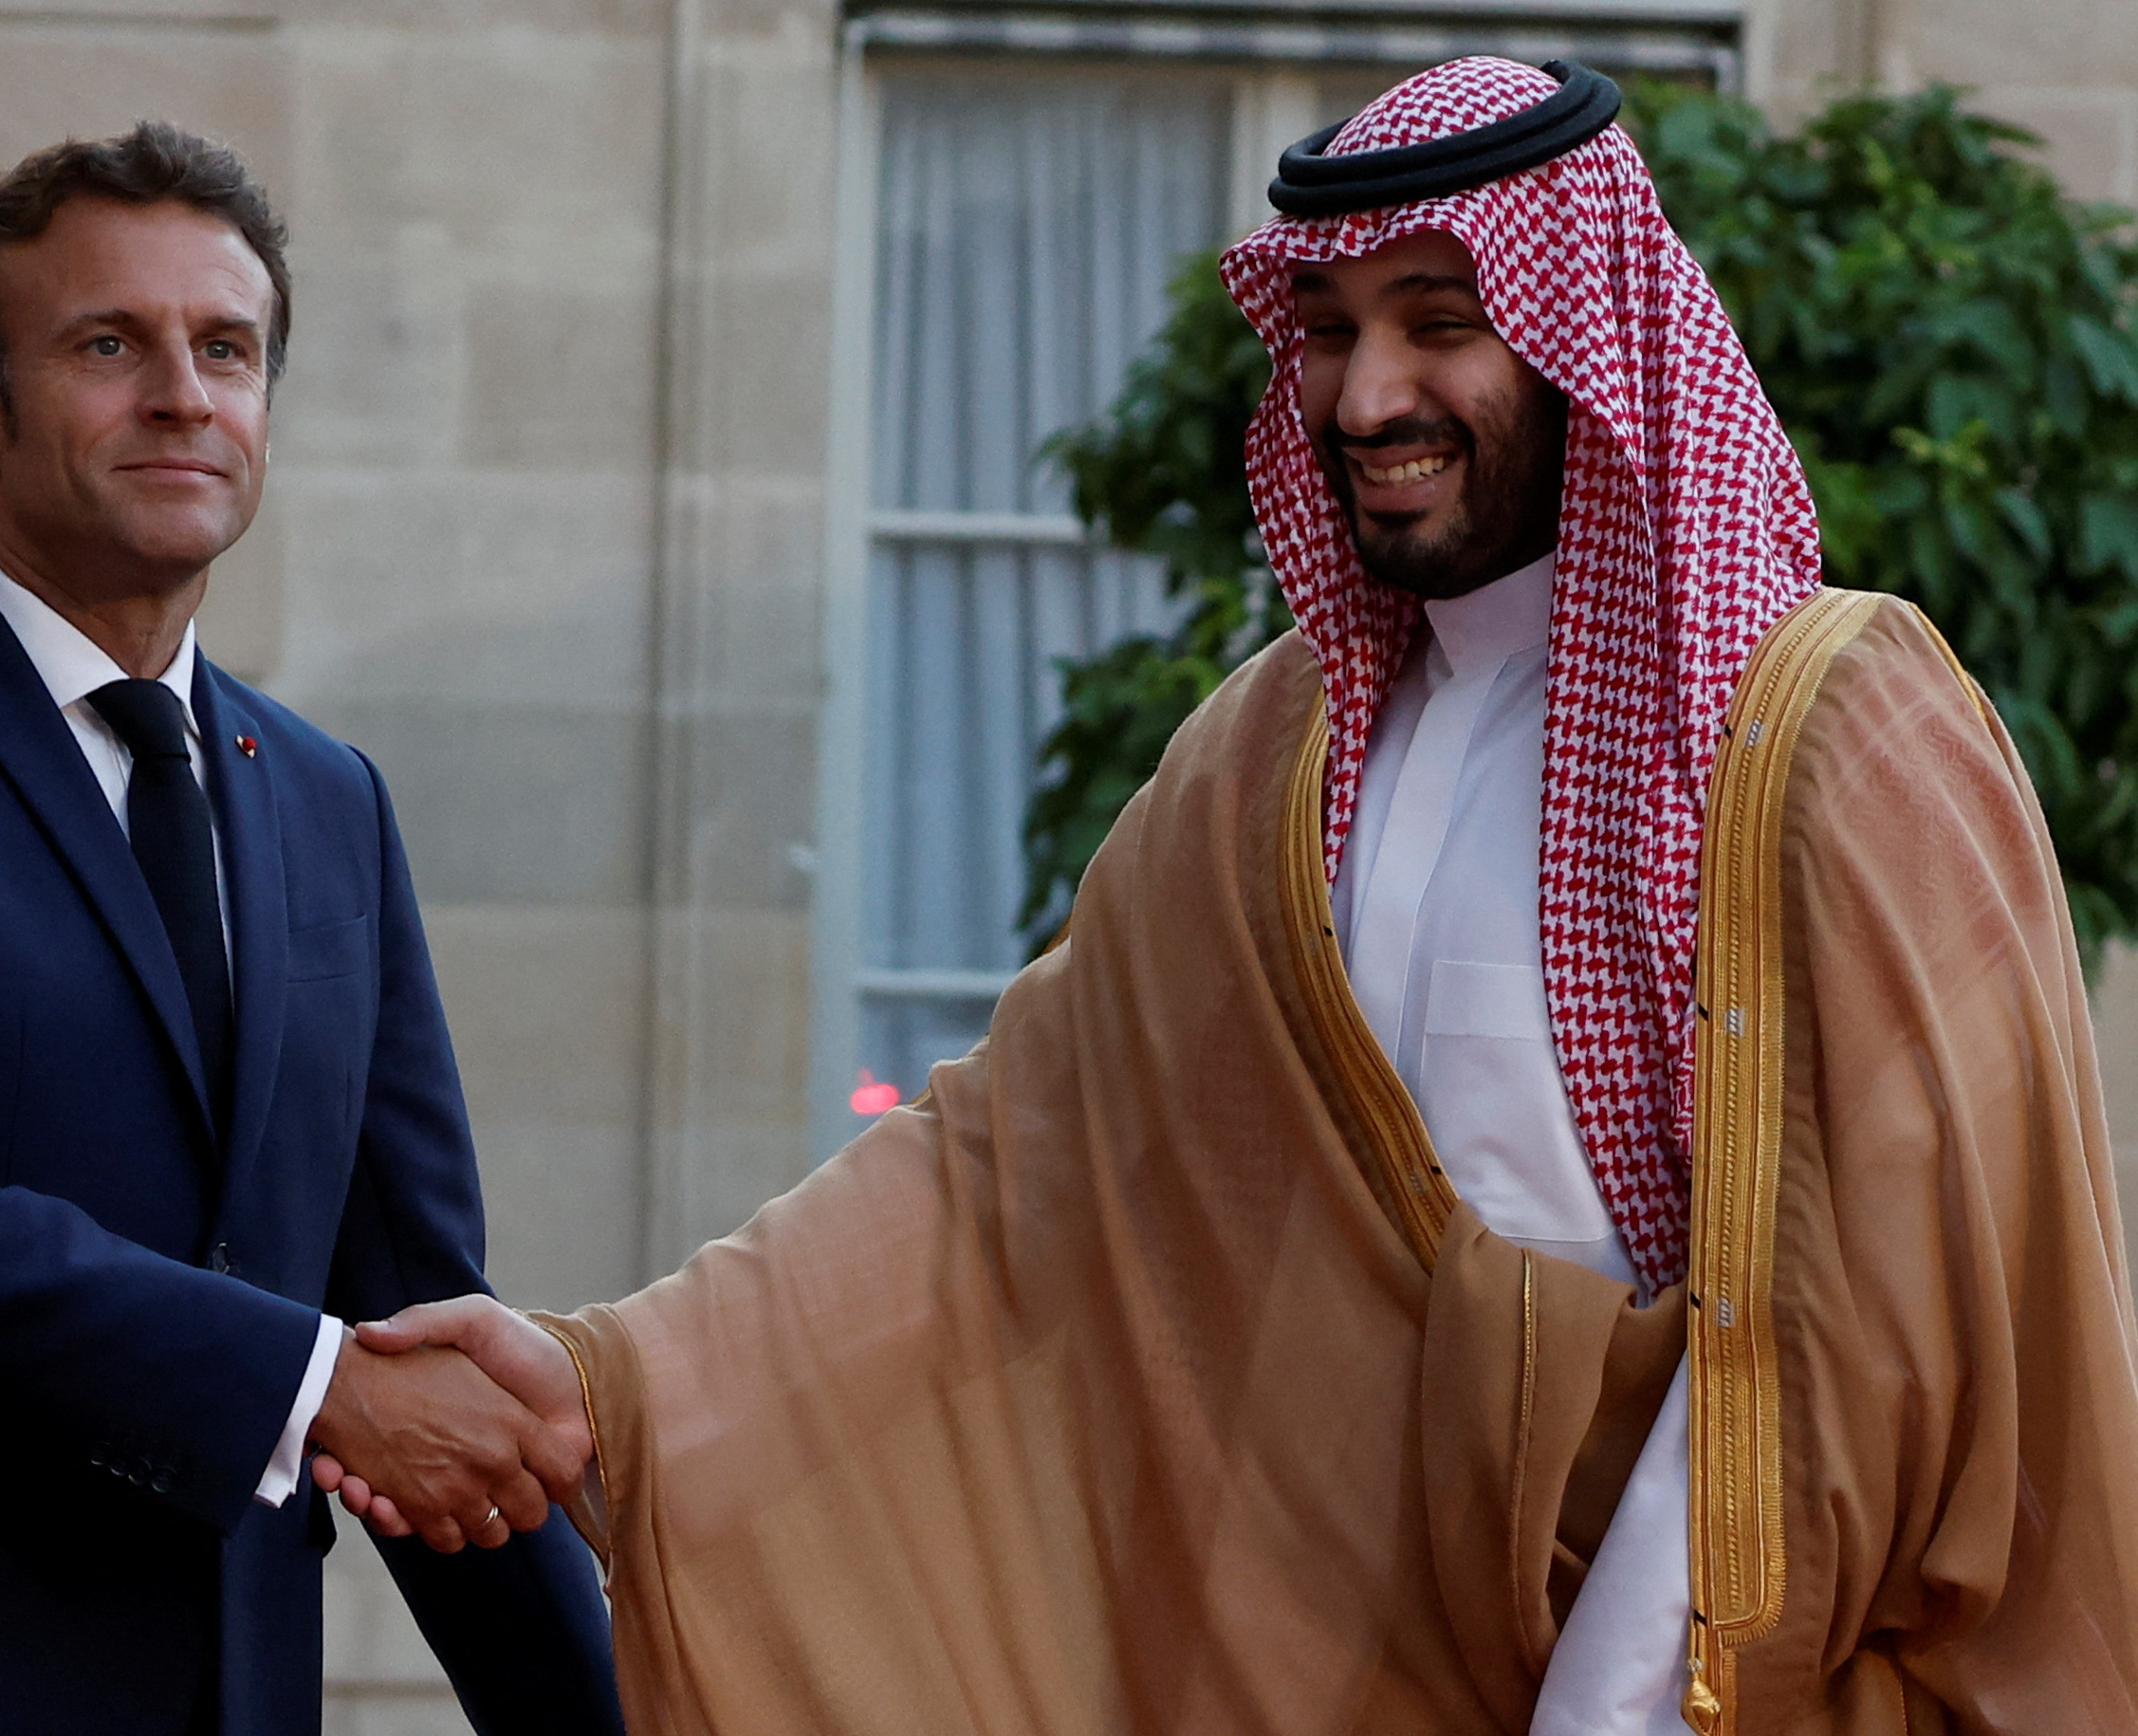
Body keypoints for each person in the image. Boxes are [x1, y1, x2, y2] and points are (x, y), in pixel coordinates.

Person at [323, 57, 2138, 1734]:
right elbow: (1005, 1171)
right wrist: (607, 1380)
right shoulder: (1275, 754)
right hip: (1322, 1655)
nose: (1370, 395)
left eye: (1442, 323)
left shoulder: (1833, 731)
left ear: (1587, 338)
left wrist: (1614, 1707)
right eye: (1330, 331)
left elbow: (1856, 1330)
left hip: (1720, 1671)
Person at [0, 122, 621, 1736]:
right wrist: (313, 1384)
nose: (184, 395)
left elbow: (416, 1316)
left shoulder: (333, 803)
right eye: (108, 345)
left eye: (228, 348)